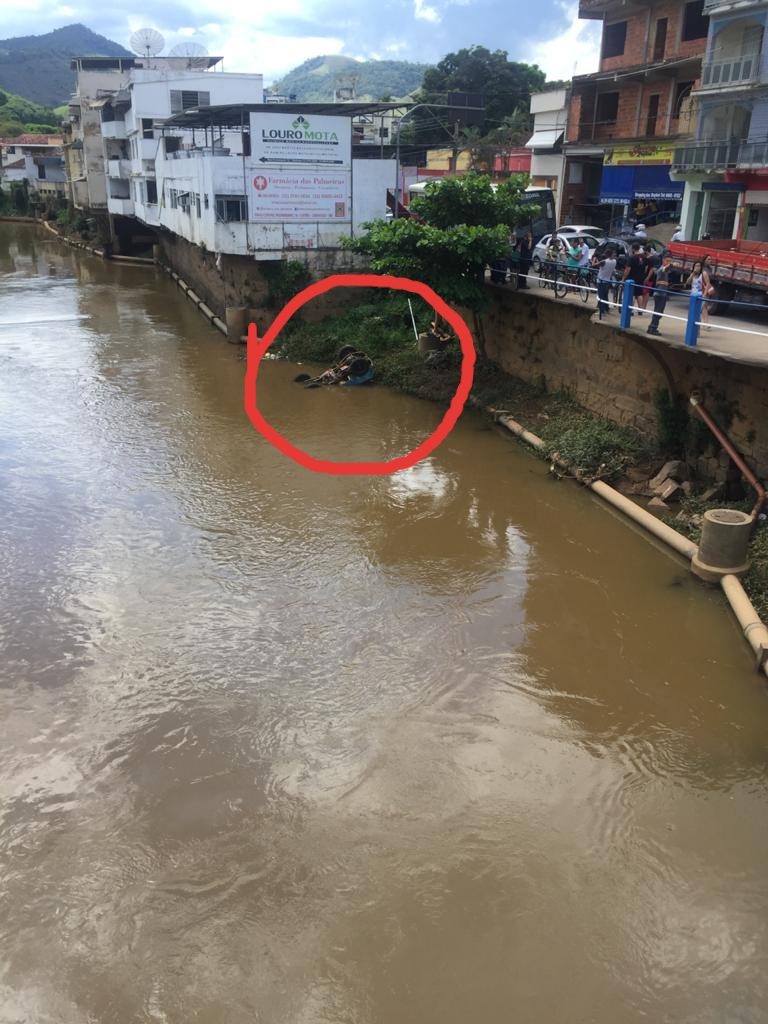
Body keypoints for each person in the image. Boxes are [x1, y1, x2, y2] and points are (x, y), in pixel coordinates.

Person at [646, 253, 674, 336]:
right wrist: (671, 265)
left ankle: (653, 327)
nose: (669, 262)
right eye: (667, 261)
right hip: (660, 293)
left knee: (659, 312)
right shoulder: (662, 269)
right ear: (663, 261)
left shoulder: (665, 271)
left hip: (662, 293)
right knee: (658, 311)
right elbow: (665, 268)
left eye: (670, 261)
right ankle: (652, 328)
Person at [687, 260, 713, 328]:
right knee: (696, 310)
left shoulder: (703, 274)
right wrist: (692, 273)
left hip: (700, 294)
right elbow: (688, 282)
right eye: (696, 266)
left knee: (702, 309)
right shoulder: (693, 274)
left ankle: (704, 324)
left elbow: (708, 284)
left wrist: (704, 295)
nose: (698, 267)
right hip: (693, 295)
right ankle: (700, 323)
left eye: (699, 266)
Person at [623, 242, 646, 315]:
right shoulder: (643, 257)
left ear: (633, 249)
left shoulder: (631, 258)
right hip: (640, 278)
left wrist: (624, 278)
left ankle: (631, 310)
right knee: (639, 294)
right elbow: (646, 268)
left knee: (631, 294)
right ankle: (640, 310)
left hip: (632, 278)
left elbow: (628, 269)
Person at [595, 246, 617, 319]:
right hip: (607, 281)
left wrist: (594, 261)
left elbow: (594, 265)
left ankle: (602, 311)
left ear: (607, 254)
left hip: (601, 281)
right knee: (605, 295)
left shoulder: (604, 261)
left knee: (601, 296)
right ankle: (606, 308)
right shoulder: (614, 261)